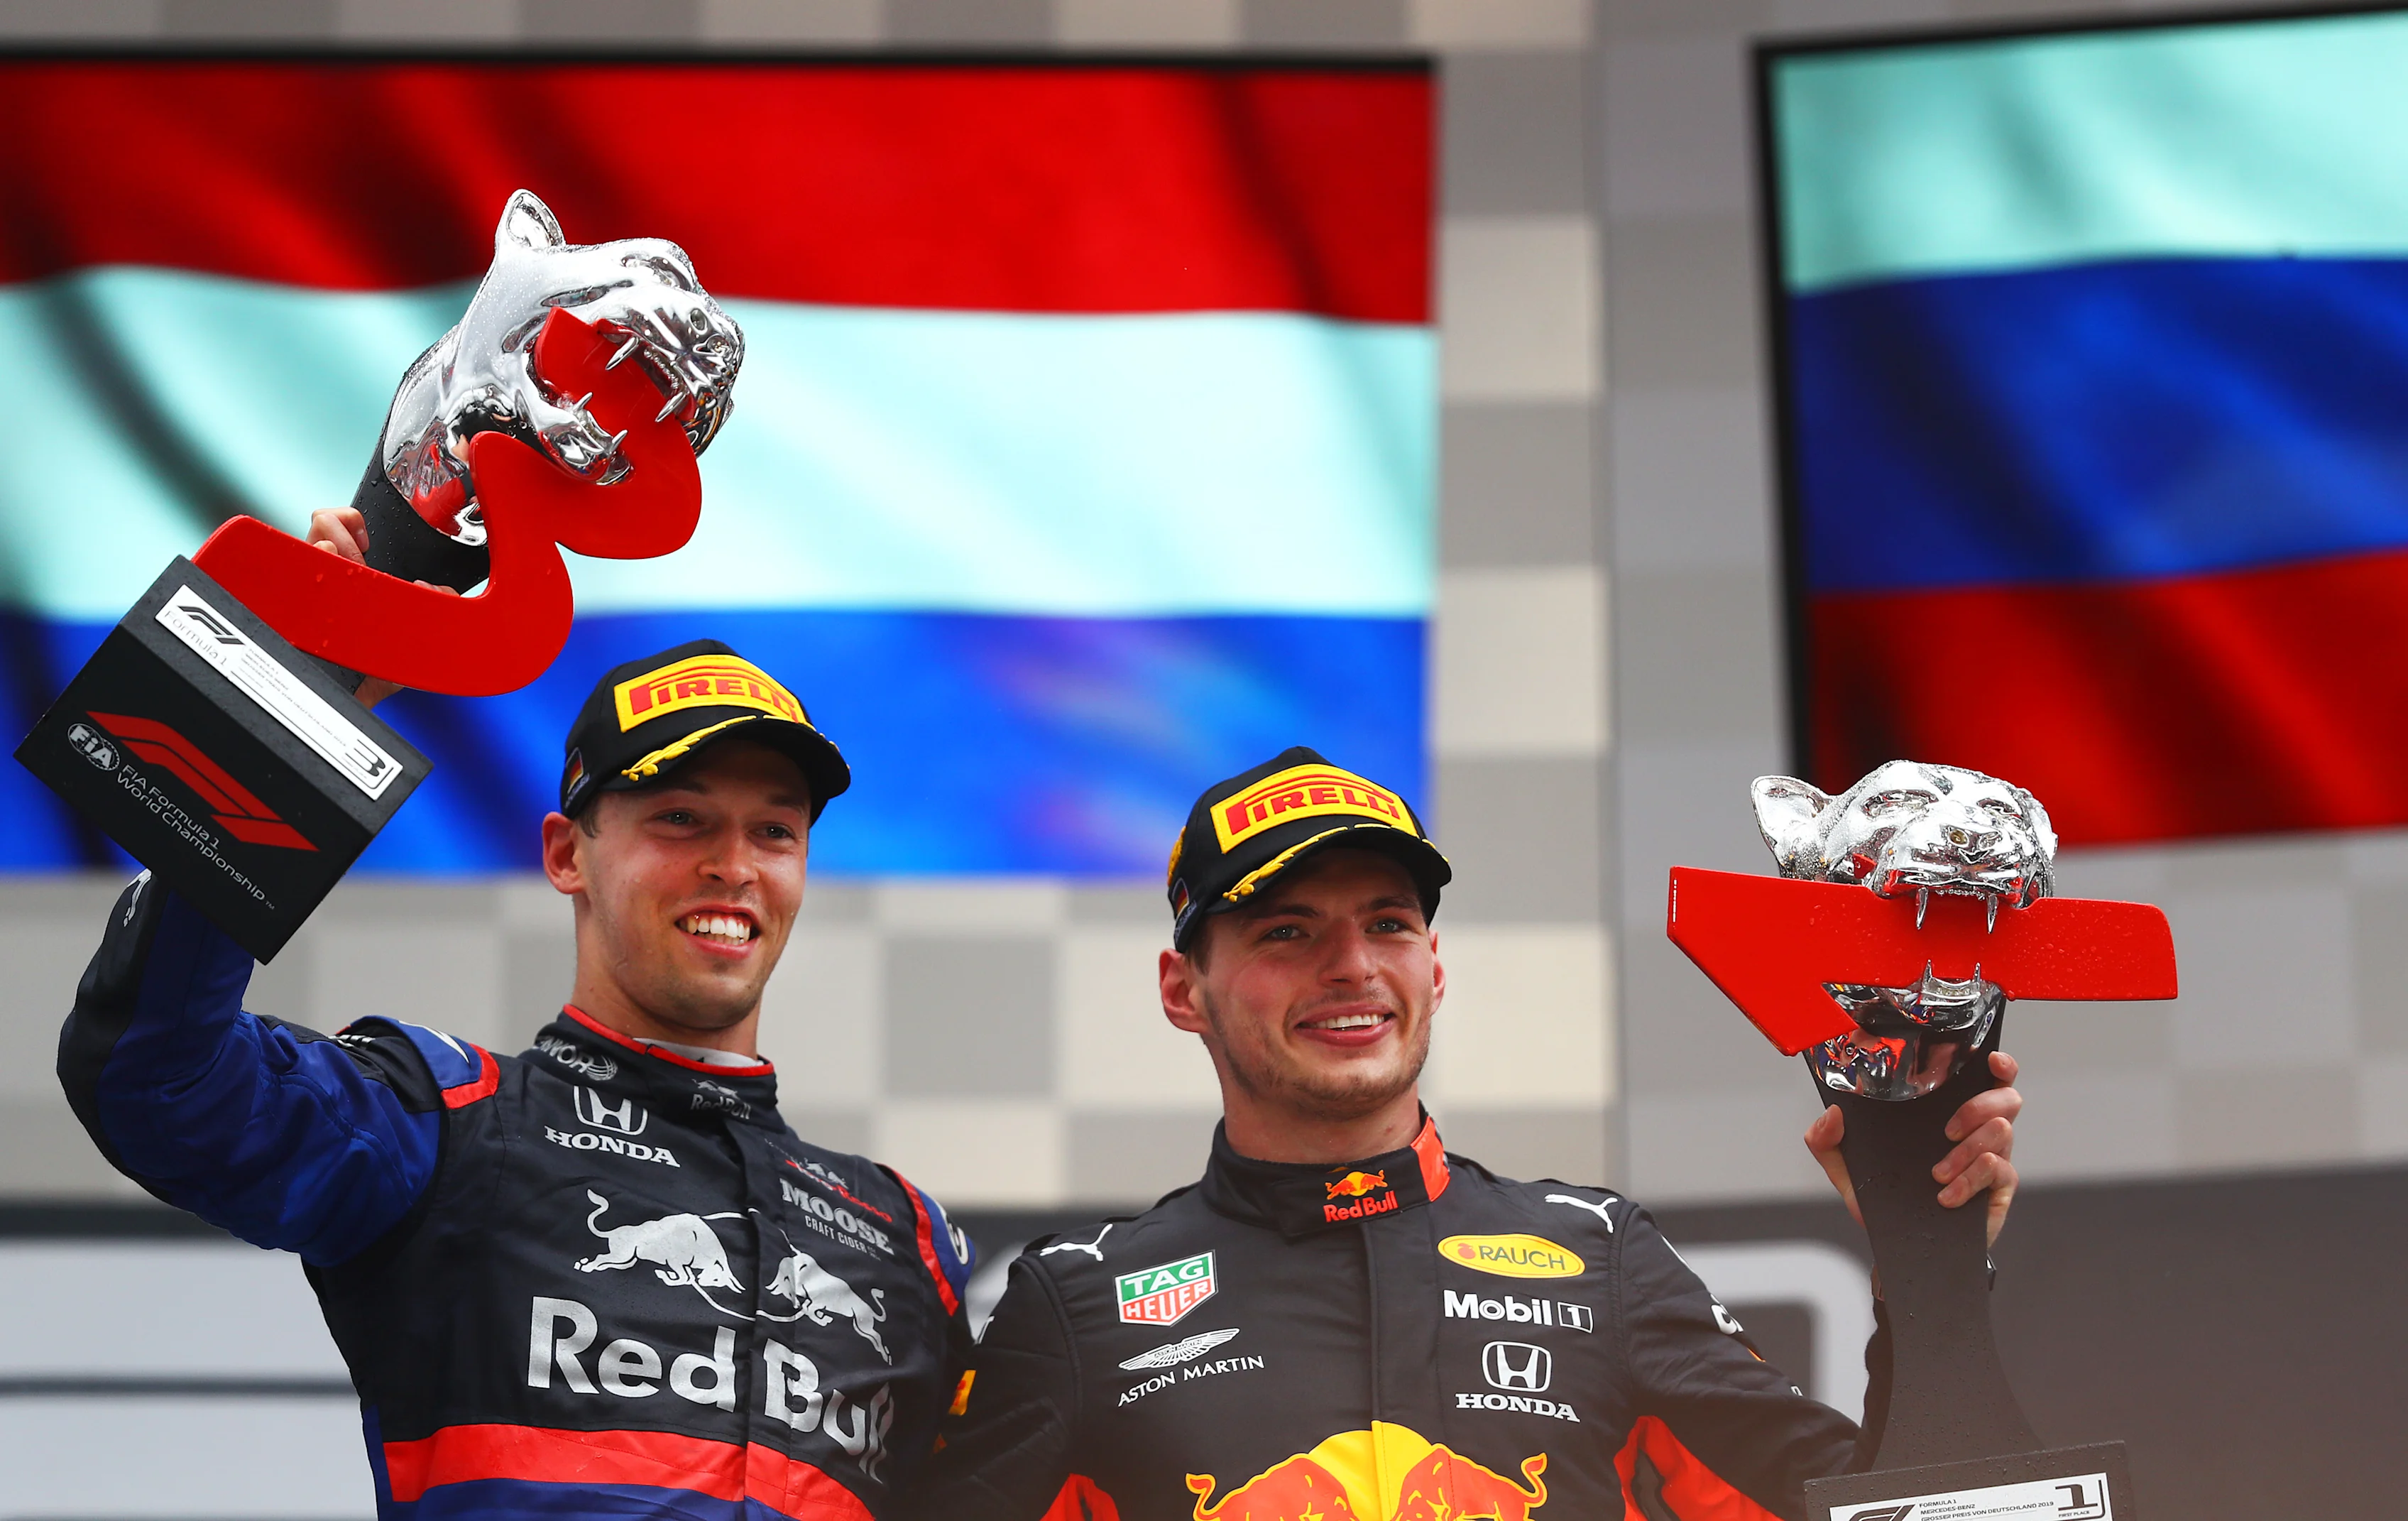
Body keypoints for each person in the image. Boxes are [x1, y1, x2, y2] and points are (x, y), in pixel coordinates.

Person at [58, 545, 973, 1520]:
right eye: (680, 817)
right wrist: (283, 709)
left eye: (774, 832)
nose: (733, 866)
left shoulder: (903, 1237)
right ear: (565, 853)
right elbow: (156, 1074)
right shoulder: (446, 1123)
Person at [899, 746, 2022, 1521]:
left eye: (1388, 923)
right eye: (1287, 930)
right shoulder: (1079, 1305)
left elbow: (1892, 1510)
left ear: (1433, 969)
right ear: (1182, 988)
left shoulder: (1600, 1256)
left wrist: (1927, 1276)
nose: (1352, 965)